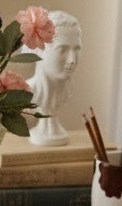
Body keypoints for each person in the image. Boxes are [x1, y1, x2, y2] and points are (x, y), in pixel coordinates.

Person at [27, 12, 83, 146]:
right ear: (39, 49)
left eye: (76, 49)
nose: (72, 60)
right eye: (62, 50)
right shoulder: (28, 91)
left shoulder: (65, 93)